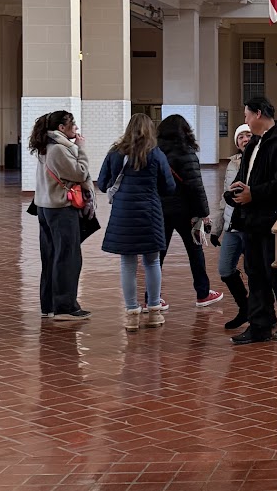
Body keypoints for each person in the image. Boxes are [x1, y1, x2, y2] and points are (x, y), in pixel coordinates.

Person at [228, 96, 277, 345]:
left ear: (259, 114)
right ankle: (260, 325)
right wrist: (237, 189)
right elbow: (246, 176)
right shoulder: (254, 145)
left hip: (274, 221)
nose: (245, 120)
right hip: (252, 220)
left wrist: (254, 193)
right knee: (255, 273)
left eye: (247, 115)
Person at [97, 113, 176, 331]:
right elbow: (169, 187)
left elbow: (102, 184)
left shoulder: (115, 153)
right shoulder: (156, 154)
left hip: (123, 213)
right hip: (150, 213)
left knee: (127, 263)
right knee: (152, 262)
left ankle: (132, 312)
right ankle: (153, 311)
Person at [29, 110, 92, 321]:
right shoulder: (58, 150)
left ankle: (49, 305)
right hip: (60, 209)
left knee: (51, 257)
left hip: (45, 208)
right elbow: (80, 173)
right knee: (67, 257)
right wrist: (81, 150)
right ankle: (65, 307)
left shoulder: (45, 148)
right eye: (72, 124)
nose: (75, 127)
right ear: (61, 128)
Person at [155, 115, 223, 307]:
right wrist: (204, 213)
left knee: (157, 255)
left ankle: (152, 297)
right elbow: (196, 186)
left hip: (161, 210)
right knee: (195, 252)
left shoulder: (154, 152)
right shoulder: (187, 152)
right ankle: (202, 293)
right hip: (187, 213)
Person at [211, 123, 252, 327]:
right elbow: (224, 197)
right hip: (231, 226)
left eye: (248, 135)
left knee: (255, 272)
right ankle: (244, 308)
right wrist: (216, 228)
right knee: (225, 269)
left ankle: (260, 314)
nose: (244, 139)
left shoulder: (259, 161)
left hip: (251, 226)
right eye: (241, 137)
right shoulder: (232, 163)